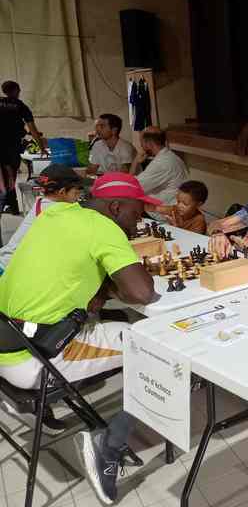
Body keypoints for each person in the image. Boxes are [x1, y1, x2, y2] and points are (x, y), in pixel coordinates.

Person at [0, 172, 160, 504]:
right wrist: (121, 276)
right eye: (137, 211)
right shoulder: (104, 228)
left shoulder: (54, 213)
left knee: (111, 320)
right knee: (156, 347)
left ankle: (56, 414)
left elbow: (73, 278)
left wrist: (102, 286)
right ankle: (109, 444)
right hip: (34, 358)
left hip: (7, 341)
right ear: (116, 207)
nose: (140, 219)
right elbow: (142, 292)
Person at [0, 164, 89, 274]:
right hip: (9, 268)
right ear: (62, 192)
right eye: (75, 193)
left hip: (5, 261)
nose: (77, 198)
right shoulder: (56, 210)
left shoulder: (41, 202)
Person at [0, 80, 48, 215]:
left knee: (3, 177)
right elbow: (32, 128)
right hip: (12, 147)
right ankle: (11, 205)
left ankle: (8, 205)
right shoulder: (20, 105)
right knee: (11, 175)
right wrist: (41, 147)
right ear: (16, 91)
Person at [129, 126, 188, 205]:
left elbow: (131, 187)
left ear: (149, 143)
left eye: (141, 143)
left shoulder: (160, 163)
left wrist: (135, 161)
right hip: (172, 204)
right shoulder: (171, 156)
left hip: (162, 212)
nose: (141, 146)